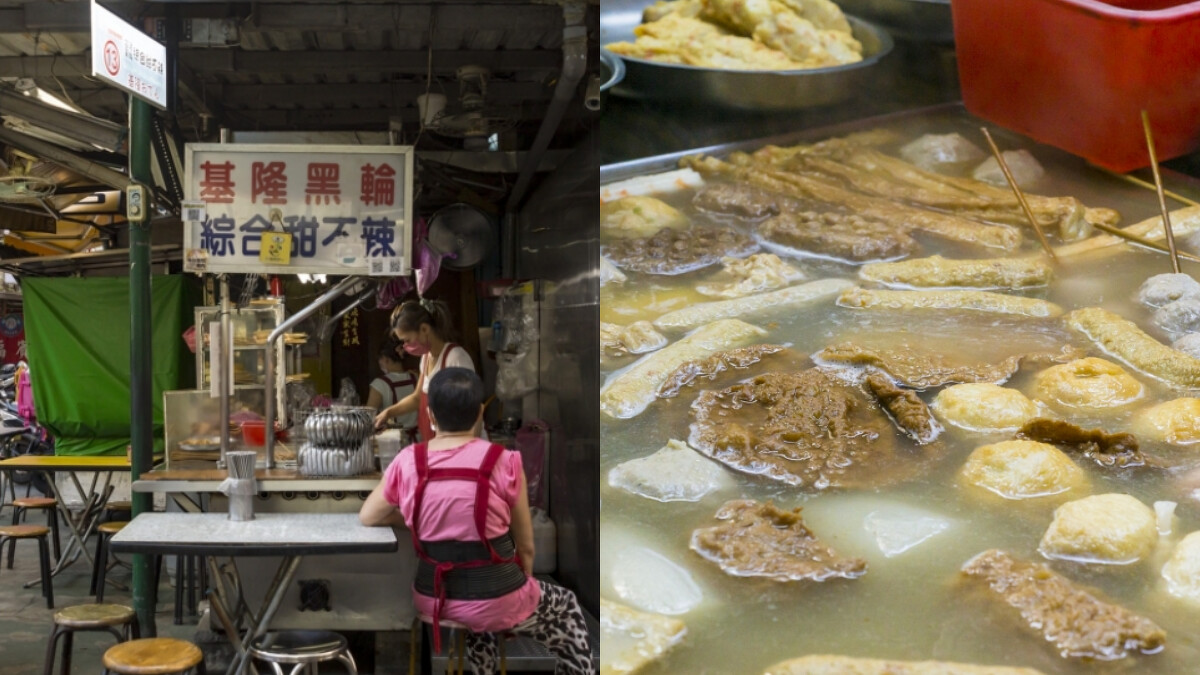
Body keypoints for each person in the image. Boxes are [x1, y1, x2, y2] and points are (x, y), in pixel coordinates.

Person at [360, 368, 594, 675]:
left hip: (434, 599)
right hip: (499, 597)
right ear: (480, 414)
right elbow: (525, 547)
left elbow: (369, 516)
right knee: (567, 608)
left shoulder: (408, 460)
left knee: (481, 618)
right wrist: (521, 587)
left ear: (430, 415)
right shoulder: (504, 460)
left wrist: (415, 519)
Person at [374, 298, 475, 442]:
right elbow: (418, 398)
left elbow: (470, 411)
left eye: (407, 340)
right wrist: (388, 413)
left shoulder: (456, 358)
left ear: (424, 329)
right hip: (437, 440)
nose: (405, 346)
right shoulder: (426, 358)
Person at [365, 339, 418, 430]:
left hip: (393, 437)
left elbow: (368, 416)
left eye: (380, 359)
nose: (379, 362)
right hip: (418, 435)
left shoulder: (379, 384)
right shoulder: (416, 377)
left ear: (386, 359)